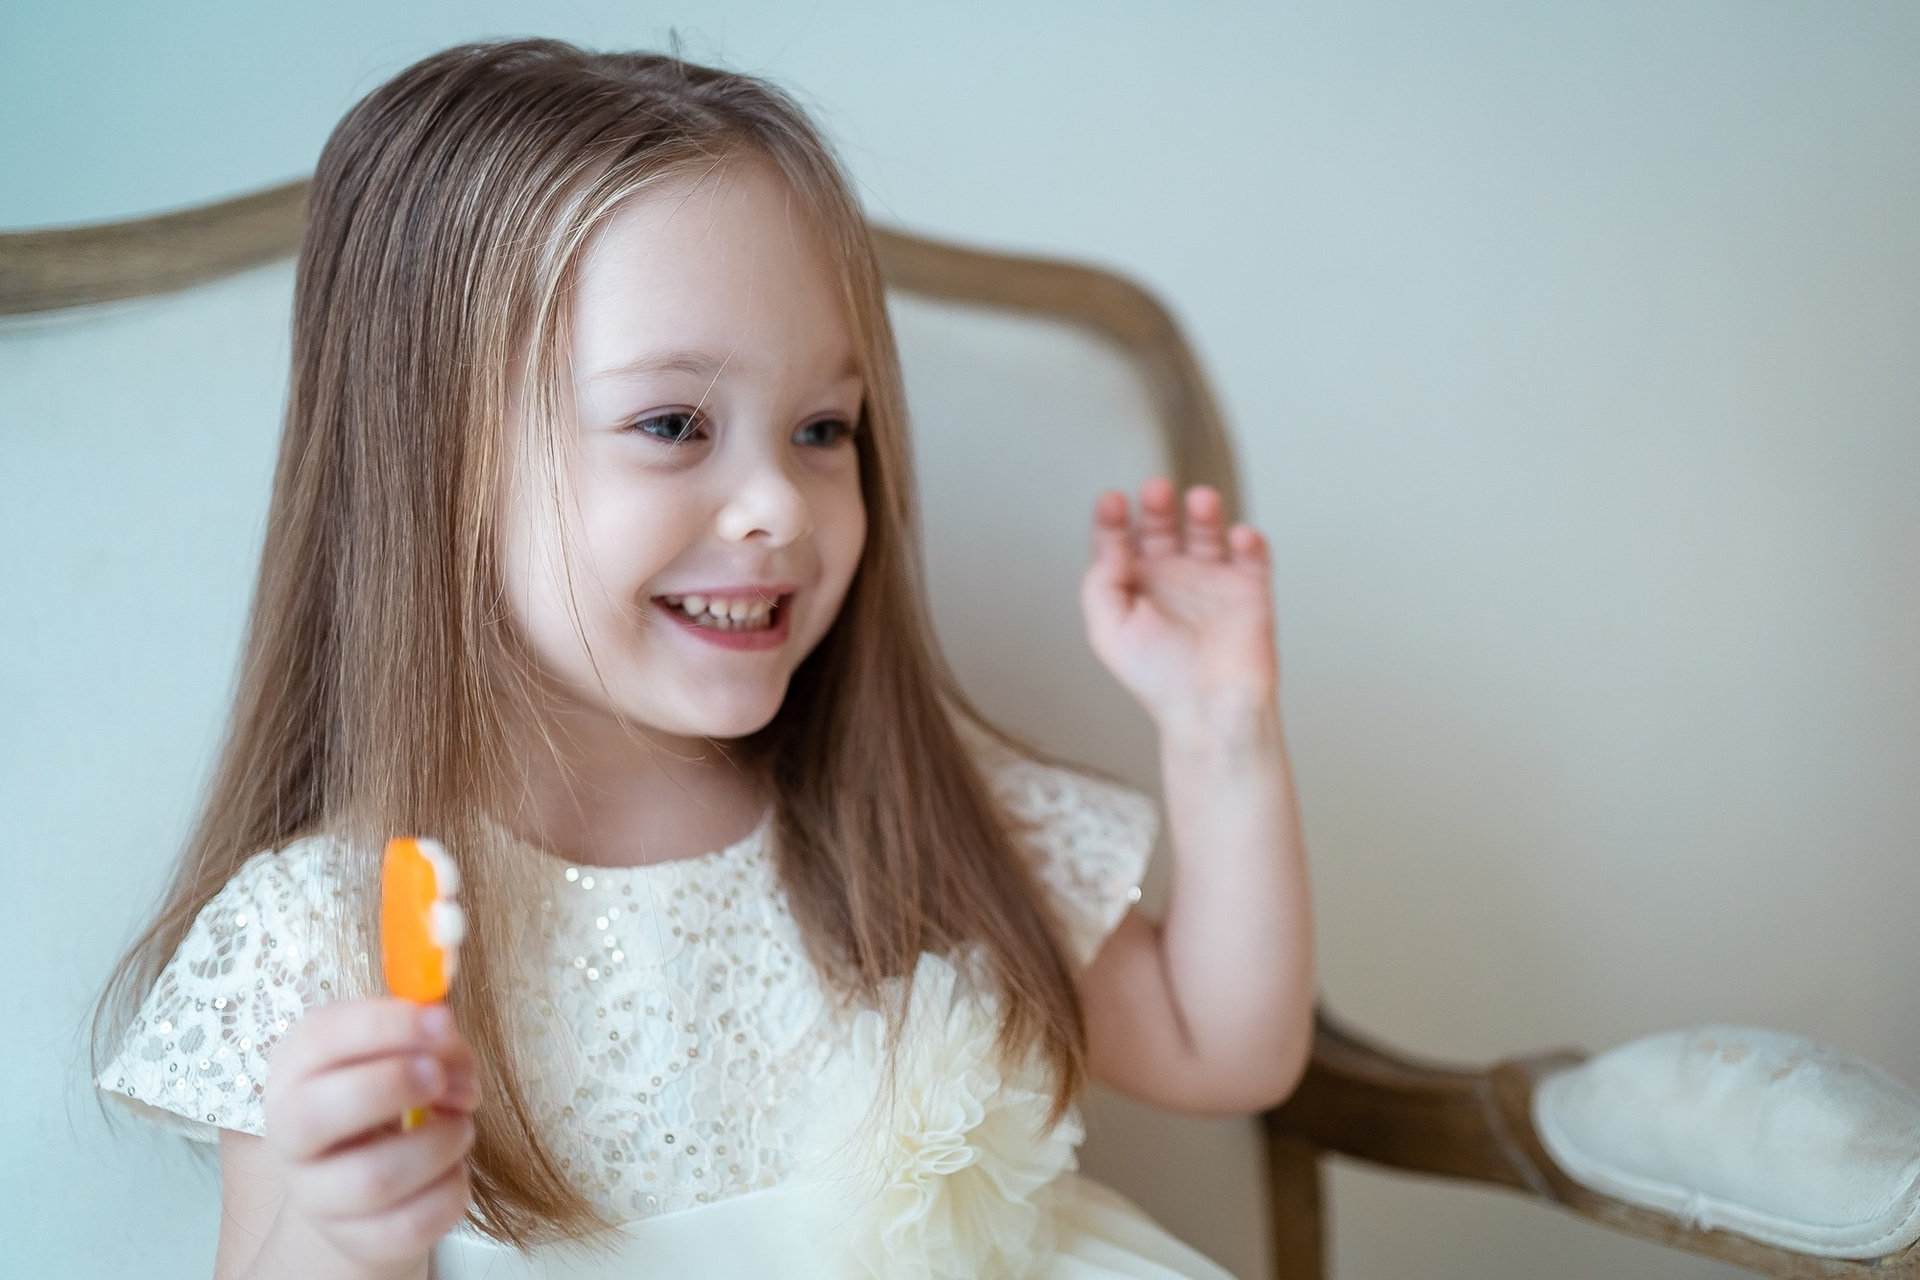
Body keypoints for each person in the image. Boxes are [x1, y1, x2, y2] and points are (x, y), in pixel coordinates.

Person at [92, 37, 1314, 1280]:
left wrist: (1223, 727)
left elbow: (1225, 1047)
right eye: (673, 423)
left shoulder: (903, 815)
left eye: (823, 428)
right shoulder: (327, 932)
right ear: (435, 461)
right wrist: (341, 1223)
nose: (779, 505)